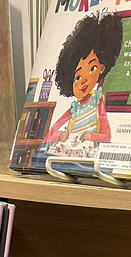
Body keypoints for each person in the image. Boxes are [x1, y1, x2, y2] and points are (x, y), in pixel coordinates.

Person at [43, 11, 124, 159]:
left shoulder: (97, 102)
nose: (83, 81)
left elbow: (107, 136)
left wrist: (91, 136)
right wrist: (60, 135)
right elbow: (49, 135)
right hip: (69, 154)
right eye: (77, 77)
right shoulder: (74, 109)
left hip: (88, 155)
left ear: (102, 68)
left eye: (92, 69)